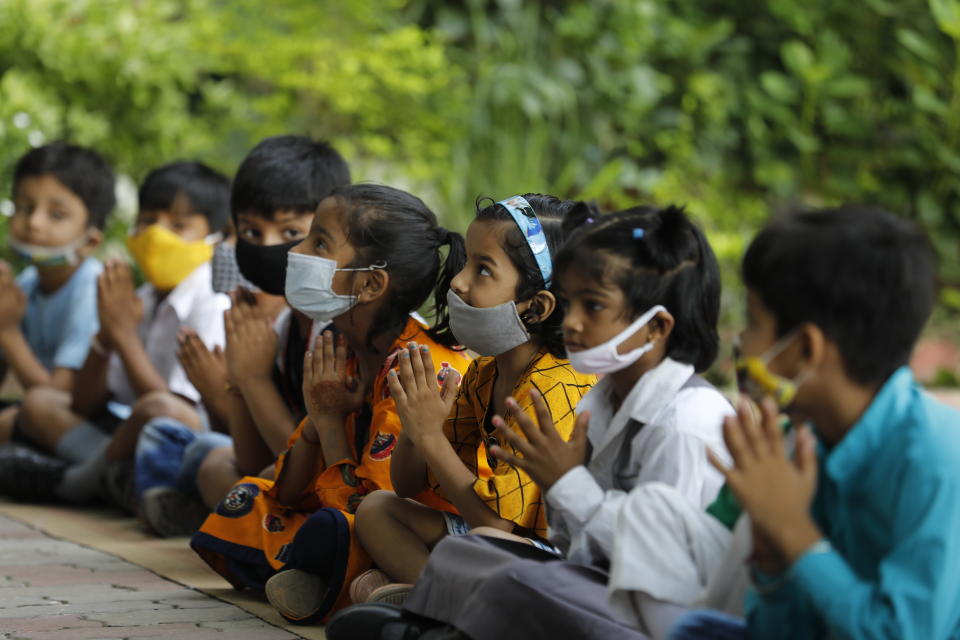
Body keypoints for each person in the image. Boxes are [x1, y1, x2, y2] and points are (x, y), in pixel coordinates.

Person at [328, 203, 734, 640]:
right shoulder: (602, 400)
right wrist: (419, 426)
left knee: (507, 570)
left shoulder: (684, 425)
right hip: (591, 584)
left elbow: (660, 571)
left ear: (656, 328)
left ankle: (440, 618)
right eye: (573, 301)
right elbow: (571, 544)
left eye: (592, 306)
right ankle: (447, 610)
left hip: (657, 617)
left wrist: (567, 487)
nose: (572, 320)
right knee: (474, 556)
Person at [669, 205, 960, 640]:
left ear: (807, 349)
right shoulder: (812, 444)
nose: (742, 344)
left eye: (753, 323)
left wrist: (794, 531)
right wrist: (772, 563)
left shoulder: (938, 459)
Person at [190, 184, 471, 625]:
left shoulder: (416, 366)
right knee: (249, 497)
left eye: (318, 242)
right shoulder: (341, 344)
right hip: (351, 510)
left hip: (421, 531)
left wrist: (330, 423)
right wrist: (318, 422)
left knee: (333, 530)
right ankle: (349, 585)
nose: (296, 250)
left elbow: (365, 506)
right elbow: (288, 488)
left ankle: (365, 587)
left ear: (371, 283)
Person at [327, 195, 597, 607]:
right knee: (378, 510)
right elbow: (407, 484)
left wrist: (430, 437)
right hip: (500, 548)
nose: (458, 281)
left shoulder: (554, 387)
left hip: (564, 565)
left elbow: (495, 523)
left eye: (483, 269)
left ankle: (431, 600)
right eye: (468, 262)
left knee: (483, 541)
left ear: (536, 307)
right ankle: (436, 597)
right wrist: (417, 431)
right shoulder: (486, 371)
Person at [135, 136, 351, 536]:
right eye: (250, 234)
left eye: (290, 232)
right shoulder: (284, 328)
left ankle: (258, 536)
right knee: (215, 464)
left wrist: (252, 379)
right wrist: (240, 378)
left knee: (249, 476)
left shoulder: (338, 331)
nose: (267, 249)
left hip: (342, 489)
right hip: (288, 480)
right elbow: (247, 458)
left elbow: (296, 460)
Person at [4, 161, 231, 505]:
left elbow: (168, 416)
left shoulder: (212, 302)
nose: (157, 234)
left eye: (179, 225)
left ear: (218, 236)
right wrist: (105, 338)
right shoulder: (141, 297)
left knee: (156, 407)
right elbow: (85, 403)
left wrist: (124, 336)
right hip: (127, 436)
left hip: (186, 440)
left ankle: (81, 482)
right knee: (40, 403)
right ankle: (114, 477)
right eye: (148, 221)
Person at [0, 143, 115, 447]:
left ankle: (94, 472)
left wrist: (8, 331)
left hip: (94, 423)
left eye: (56, 214)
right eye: (25, 207)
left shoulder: (91, 288)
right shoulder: (27, 283)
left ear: (90, 241)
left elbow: (60, 395)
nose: (34, 222)